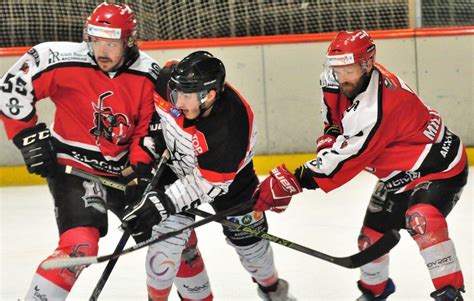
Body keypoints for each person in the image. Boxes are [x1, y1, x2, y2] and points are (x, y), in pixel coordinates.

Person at [0, 3, 211, 300]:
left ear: (129, 41)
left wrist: (140, 173)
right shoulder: (58, 57)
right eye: (96, 40)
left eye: (111, 43)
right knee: (79, 245)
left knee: (179, 236)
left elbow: (147, 131)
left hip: (123, 172)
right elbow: (13, 87)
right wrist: (27, 135)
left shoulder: (149, 75)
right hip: (73, 167)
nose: (102, 50)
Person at [252, 30, 468, 301]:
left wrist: (292, 181)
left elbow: (343, 162)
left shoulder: (377, 108)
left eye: (349, 71)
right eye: (338, 70)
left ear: (367, 64)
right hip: (396, 174)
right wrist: (329, 138)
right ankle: (374, 293)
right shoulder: (336, 77)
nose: (342, 77)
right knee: (370, 239)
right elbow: (334, 119)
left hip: (439, 168)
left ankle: (450, 293)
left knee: (421, 219)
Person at [121, 51, 295, 301]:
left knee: (253, 251)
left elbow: (209, 183)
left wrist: (163, 203)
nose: (179, 102)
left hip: (230, 181)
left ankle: (273, 289)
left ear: (210, 95)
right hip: (176, 169)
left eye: (188, 96)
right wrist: (148, 153)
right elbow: (150, 115)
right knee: (166, 247)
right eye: (178, 93)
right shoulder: (167, 81)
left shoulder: (230, 125)